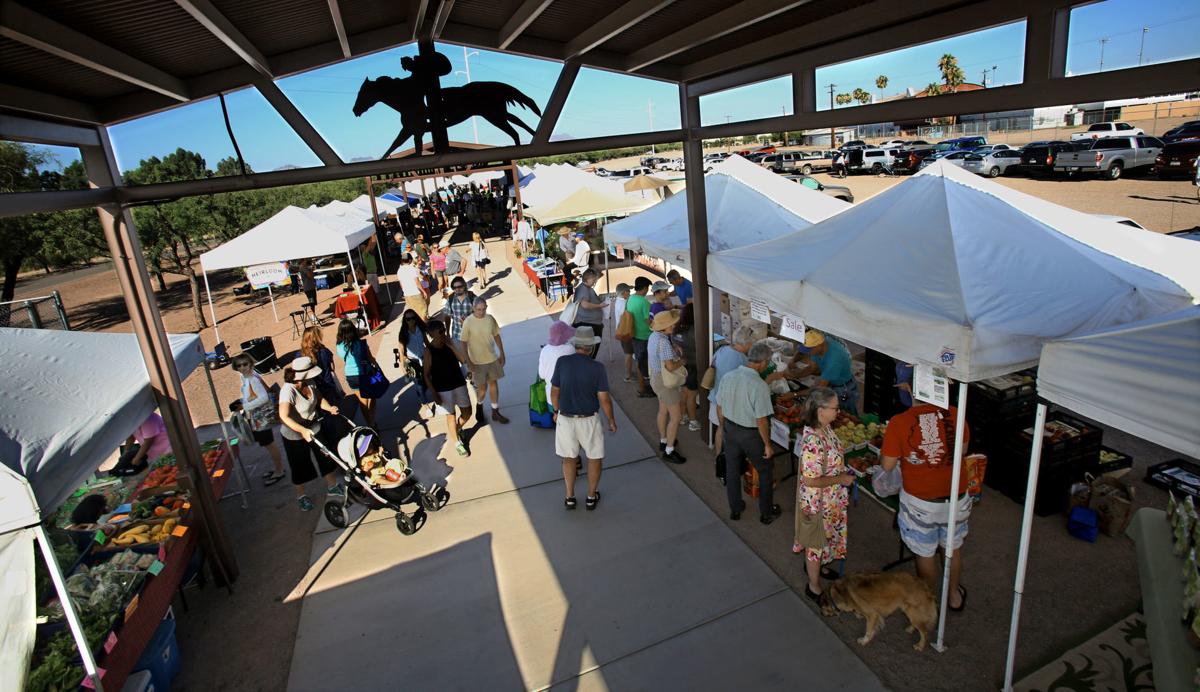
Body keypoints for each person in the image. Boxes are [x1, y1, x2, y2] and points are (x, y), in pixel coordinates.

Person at [879, 392, 972, 612]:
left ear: (909, 390)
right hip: (956, 497)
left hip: (921, 502)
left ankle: (928, 601)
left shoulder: (899, 421)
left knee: (925, 552)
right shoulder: (956, 414)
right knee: (952, 547)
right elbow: (964, 450)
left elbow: (888, 465)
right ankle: (953, 596)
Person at [794, 387, 854, 600]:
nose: (839, 411)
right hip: (818, 503)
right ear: (821, 410)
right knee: (815, 543)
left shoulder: (825, 428)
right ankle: (813, 585)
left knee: (824, 539)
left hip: (829, 500)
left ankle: (819, 566)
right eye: (835, 408)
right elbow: (809, 479)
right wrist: (841, 479)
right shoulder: (813, 443)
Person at [551, 326, 616, 511]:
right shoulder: (597, 368)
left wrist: (556, 411)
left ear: (575, 345)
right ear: (591, 347)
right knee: (594, 458)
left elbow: (555, 391)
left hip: (565, 418)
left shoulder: (562, 362)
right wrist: (611, 420)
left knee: (569, 458)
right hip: (589, 420)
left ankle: (569, 496)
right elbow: (604, 399)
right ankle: (590, 496)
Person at [716, 342, 780, 524]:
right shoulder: (759, 386)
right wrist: (767, 444)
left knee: (732, 470)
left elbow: (720, 407)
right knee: (765, 471)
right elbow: (761, 421)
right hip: (751, 435)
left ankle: (735, 509)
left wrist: (724, 427)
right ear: (763, 362)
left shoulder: (729, 376)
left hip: (731, 430)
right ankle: (766, 513)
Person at [277, 356, 344, 512]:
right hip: (294, 434)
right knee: (300, 465)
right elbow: (283, 416)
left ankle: (332, 485)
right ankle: (301, 496)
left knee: (325, 456)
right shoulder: (288, 390)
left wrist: (330, 408)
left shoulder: (310, 383)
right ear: (301, 375)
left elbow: (319, 400)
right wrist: (301, 430)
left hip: (313, 426)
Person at [231, 354, 287, 485]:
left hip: (261, 418)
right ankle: (277, 468)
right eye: (239, 365)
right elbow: (251, 396)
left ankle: (279, 471)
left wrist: (243, 405)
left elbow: (263, 398)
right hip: (258, 418)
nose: (243, 367)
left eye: (245, 364)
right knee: (268, 444)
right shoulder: (247, 378)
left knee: (269, 445)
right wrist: (241, 402)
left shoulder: (252, 379)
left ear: (250, 364)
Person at [709, 326, 754, 481]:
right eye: (751, 343)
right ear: (746, 343)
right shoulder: (741, 359)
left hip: (716, 397)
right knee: (731, 436)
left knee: (720, 430)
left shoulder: (722, 350)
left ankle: (719, 460)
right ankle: (729, 467)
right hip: (730, 403)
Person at [422, 320, 472, 456]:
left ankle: (458, 428)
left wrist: (451, 345)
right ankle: (457, 443)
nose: (444, 333)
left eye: (444, 330)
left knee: (468, 412)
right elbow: (426, 375)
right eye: (440, 331)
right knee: (451, 416)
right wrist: (434, 393)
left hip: (458, 383)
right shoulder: (429, 351)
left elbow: (462, 360)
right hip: (443, 389)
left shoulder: (449, 344)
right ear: (432, 334)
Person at [460, 297, 509, 424]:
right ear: (473, 309)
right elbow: (463, 342)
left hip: (491, 358)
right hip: (477, 361)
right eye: (478, 309)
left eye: (483, 309)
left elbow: (496, 335)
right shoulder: (468, 322)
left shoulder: (490, 319)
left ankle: (495, 411)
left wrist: (502, 353)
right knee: (482, 389)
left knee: (494, 384)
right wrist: (468, 361)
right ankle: (479, 405)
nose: (481, 312)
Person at [648, 310, 687, 464]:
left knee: (663, 411)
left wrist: (673, 350)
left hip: (656, 379)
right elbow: (670, 367)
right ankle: (669, 450)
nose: (674, 325)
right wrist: (682, 361)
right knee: (676, 417)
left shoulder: (654, 337)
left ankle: (664, 440)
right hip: (666, 383)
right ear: (664, 328)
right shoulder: (663, 342)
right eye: (671, 324)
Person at [791, 329, 858, 414]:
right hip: (831, 382)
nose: (809, 353)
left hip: (843, 389)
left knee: (847, 415)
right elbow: (812, 368)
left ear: (820, 345)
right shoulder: (821, 344)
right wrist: (795, 375)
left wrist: (794, 394)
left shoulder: (833, 361)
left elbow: (818, 388)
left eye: (809, 350)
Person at [336, 319, 380, 429]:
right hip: (363, 373)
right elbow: (370, 358)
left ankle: (370, 423)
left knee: (363, 402)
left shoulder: (339, 346)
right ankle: (371, 422)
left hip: (351, 376)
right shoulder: (361, 344)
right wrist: (377, 367)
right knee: (372, 397)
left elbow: (343, 358)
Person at [398, 309, 432, 413]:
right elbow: (401, 351)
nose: (411, 321)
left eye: (413, 318)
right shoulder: (403, 333)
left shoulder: (420, 329)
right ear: (405, 320)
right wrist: (403, 368)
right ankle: (425, 405)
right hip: (412, 362)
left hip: (424, 358)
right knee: (419, 385)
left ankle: (420, 394)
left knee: (427, 381)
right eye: (408, 319)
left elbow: (426, 343)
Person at [300, 325, 345, 405]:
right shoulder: (324, 351)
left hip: (311, 387)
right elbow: (331, 367)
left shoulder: (300, 354)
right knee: (331, 407)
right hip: (327, 384)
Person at [674, 303, 701, 432]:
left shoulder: (677, 328)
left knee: (683, 393)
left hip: (681, 366)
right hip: (693, 366)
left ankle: (682, 417)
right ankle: (693, 421)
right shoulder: (695, 330)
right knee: (691, 396)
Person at [538, 321, 576, 410]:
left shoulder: (544, 350)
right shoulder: (570, 349)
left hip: (551, 397)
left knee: (557, 420)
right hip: (568, 396)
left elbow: (542, 375)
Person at [571, 268, 608, 358]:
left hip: (591, 323)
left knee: (589, 351)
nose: (595, 281)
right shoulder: (584, 289)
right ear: (588, 278)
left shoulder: (586, 288)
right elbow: (585, 305)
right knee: (589, 351)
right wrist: (599, 306)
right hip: (588, 323)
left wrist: (598, 299)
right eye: (594, 279)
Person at [626, 276, 653, 398]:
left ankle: (641, 387)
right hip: (645, 336)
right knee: (645, 363)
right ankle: (644, 389)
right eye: (648, 288)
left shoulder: (630, 298)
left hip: (634, 335)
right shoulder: (644, 302)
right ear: (645, 288)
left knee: (639, 361)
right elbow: (649, 321)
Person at [612, 283, 635, 383]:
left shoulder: (619, 301)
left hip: (621, 330)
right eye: (628, 291)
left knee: (628, 353)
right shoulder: (623, 303)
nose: (630, 293)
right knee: (628, 354)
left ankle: (629, 373)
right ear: (624, 293)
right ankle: (628, 376)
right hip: (625, 331)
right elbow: (627, 316)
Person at [395, 253, 428, 320]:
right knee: (423, 311)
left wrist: (405, 293)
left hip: (407, 295)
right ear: (410, 260)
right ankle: (424, 327)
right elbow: (417, 282)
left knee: (414, 313)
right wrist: (423, 291)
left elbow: (401, 285)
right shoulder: (412, 269)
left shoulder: (399, 271)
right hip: (416, 293)